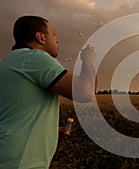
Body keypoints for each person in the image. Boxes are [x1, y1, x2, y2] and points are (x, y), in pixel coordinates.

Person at [0, 15, 96, 169]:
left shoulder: (8, 61)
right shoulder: (34, 58)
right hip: (22, 162)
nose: (57, 40)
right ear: (41, 37)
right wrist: (88, 61)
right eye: (54, 34)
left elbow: (12, 114)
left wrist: (49, 130)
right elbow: (85, 92)